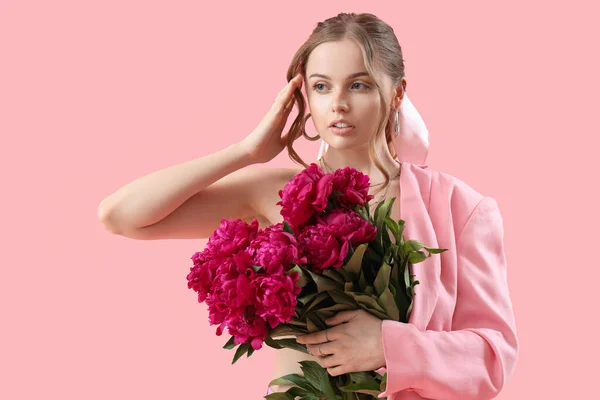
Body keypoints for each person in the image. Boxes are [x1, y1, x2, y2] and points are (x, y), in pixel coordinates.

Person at [98, 12, 519, 400]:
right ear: (304, 98)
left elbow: (494, 357)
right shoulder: (273, 193)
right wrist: (245, 151)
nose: (337, 103)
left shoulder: (459, 208)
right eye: (321, 86)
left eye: (359, 84)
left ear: (397, 93)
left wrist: (388, 346)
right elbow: (121, 216)